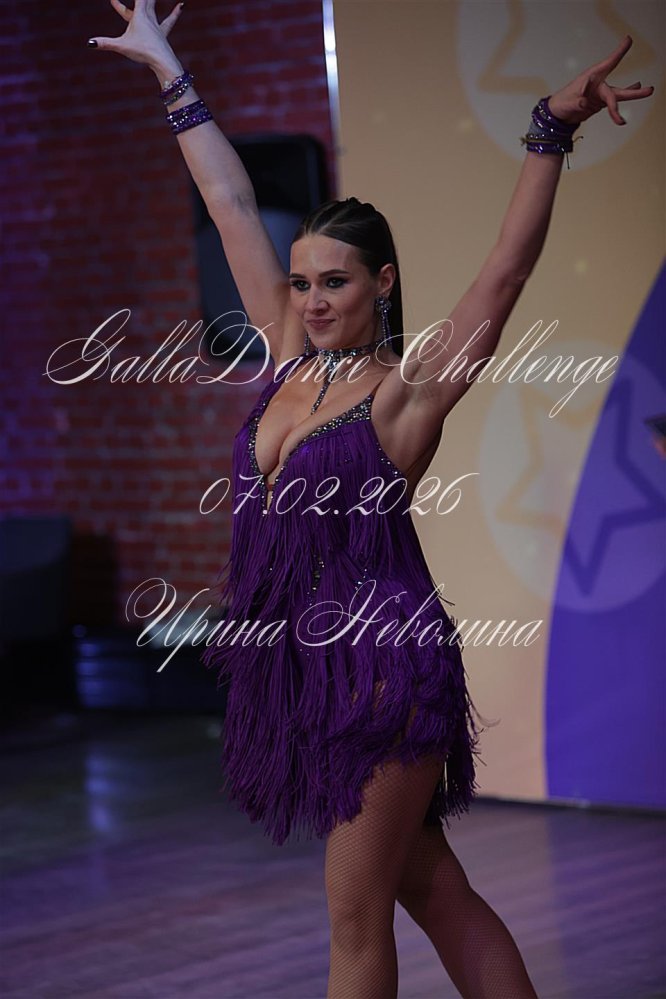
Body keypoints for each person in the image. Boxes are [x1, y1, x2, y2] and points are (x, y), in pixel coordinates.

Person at [88, 5, 654, 997]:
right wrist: (169, 72)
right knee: (433, 890)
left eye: (335, 283)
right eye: (302, 281)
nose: (311, 300)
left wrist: (548, 132)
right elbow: (230, 200)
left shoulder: (407, 390)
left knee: (354, 915)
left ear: (382, 284)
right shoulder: (284, 354)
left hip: (383, 668)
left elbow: (505, 273)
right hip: (305, 665)